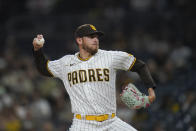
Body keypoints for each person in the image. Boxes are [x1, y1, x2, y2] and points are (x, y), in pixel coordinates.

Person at [32, 24, 156, 131]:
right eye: (91, 37)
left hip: (111, 122)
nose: (96, 39)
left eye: (97, 37)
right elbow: (43, 68)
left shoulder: (110, 57)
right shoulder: (66, 63)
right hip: (83, 124)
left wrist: (150, 90)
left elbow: (140, 66)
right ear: (79, 40)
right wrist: (37, 50)